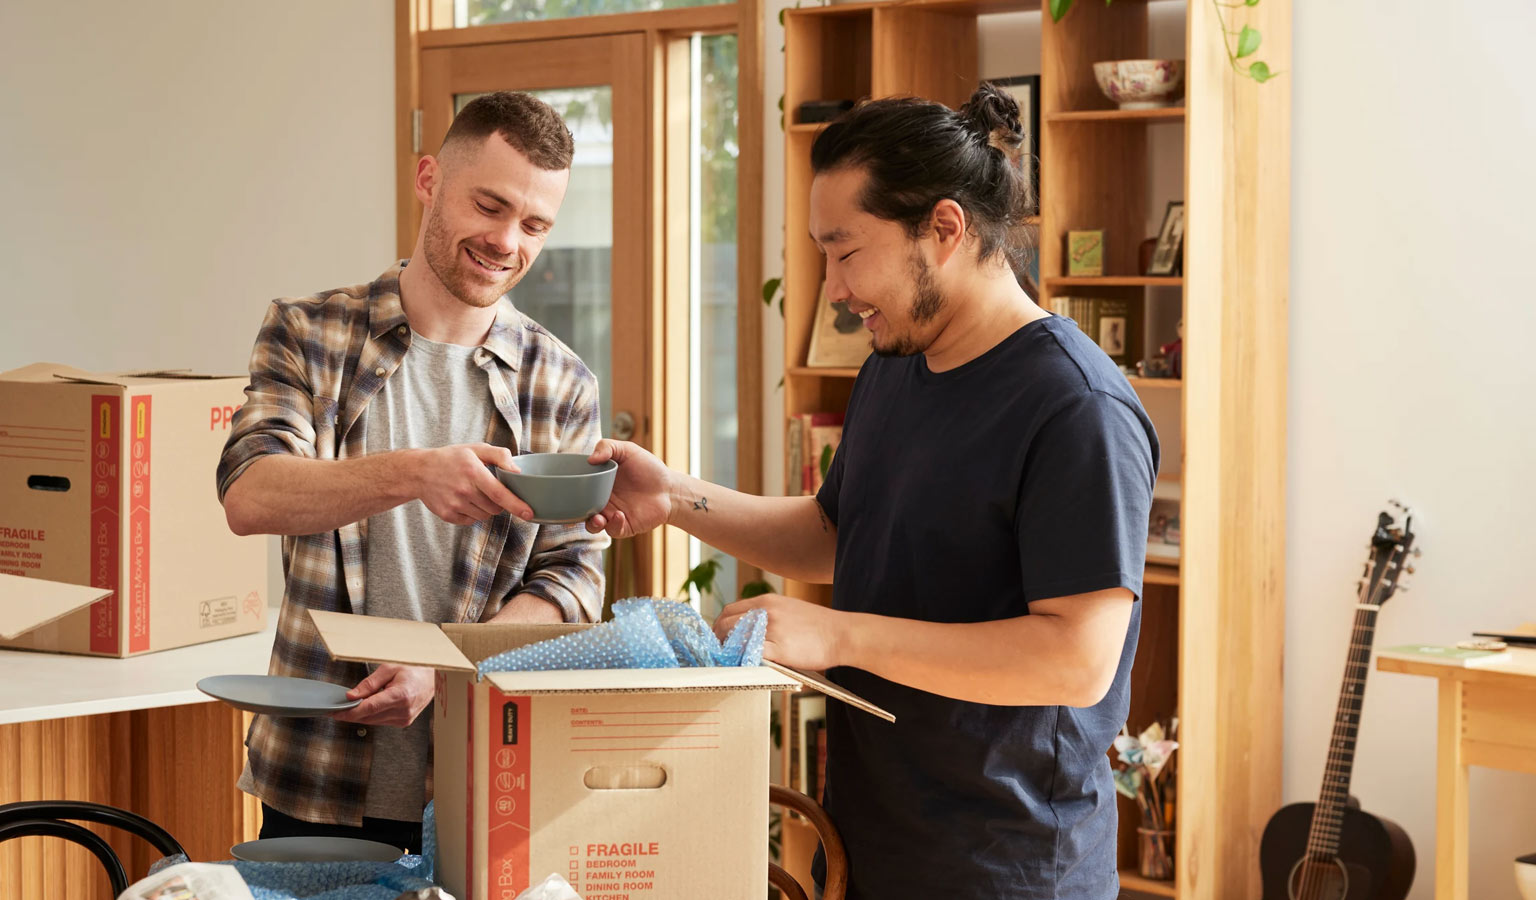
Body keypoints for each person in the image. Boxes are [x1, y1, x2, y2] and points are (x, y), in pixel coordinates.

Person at [586, 83, 1158, 899]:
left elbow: (1076, 660)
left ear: (945, 229)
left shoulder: (1076, 407)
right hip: (871, 840)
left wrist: (841, 637)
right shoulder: (898, 367)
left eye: (846, 251)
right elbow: (836, 531)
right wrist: (674, 496)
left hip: (1009, 868)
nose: (834, 289)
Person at [216, 92, 607, 851]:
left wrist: (444, 665)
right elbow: (250, 492)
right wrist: (414, 473)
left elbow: (573, 579)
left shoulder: (561, 382)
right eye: (489, 205)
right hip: (314, 771)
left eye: (534, 225)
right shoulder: (309, 331)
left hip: (487, 777)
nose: (505, 241)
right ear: (429, 178)